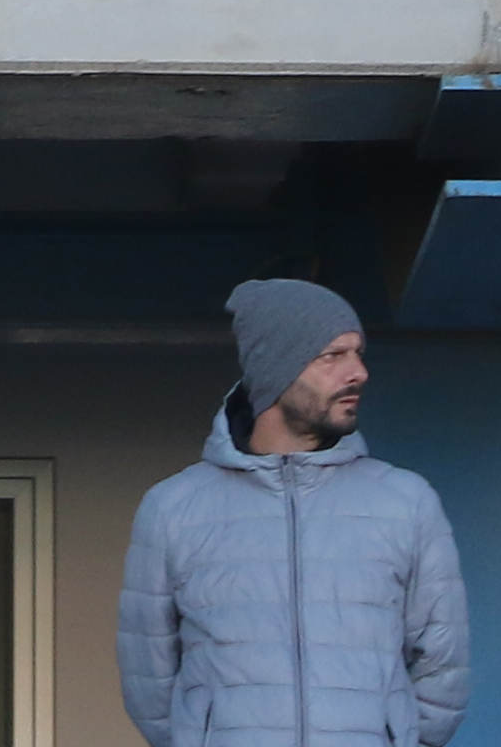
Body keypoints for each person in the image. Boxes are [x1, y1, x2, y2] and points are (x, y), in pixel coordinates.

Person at [116, 279, 469, 747]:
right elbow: (148, 678)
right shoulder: (173, 508)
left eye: (358, 353)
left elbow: (444, 665)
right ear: (275, 370)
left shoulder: (406, 502)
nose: (359, 372)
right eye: (333, 356)